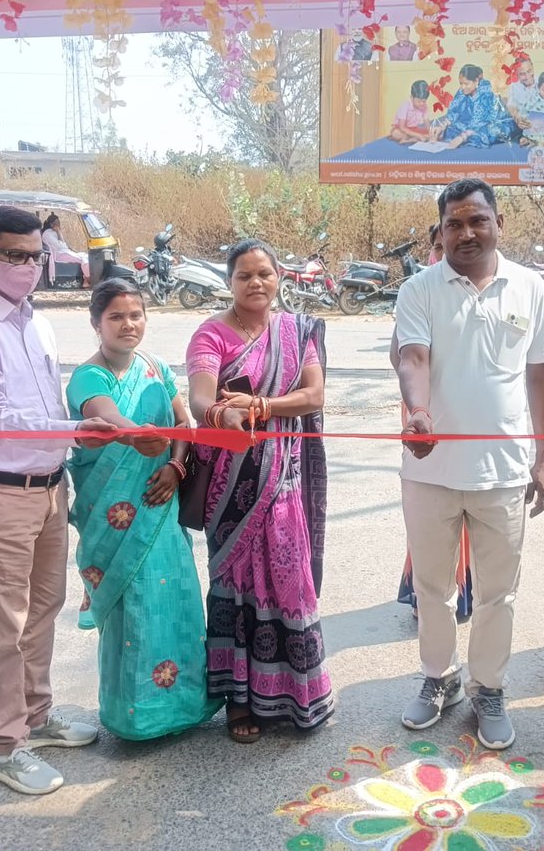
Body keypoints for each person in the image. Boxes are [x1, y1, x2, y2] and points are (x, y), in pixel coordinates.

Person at [0, 205, 118, 795]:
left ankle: (37, 715)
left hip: (48, 488)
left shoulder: (35, 323)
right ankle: (4, 747)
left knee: (42, 611)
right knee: (3, 626)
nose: (29, 267)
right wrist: (75, 430)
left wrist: (80, 429)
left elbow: (50, 405)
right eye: (14, 256)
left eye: (36, 255)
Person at [396, 178, 544, 751]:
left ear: (498, 223)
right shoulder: (419, 288)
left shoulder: (531, 287)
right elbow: (413, 355)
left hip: (504, 470)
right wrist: (418, 411)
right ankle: (439, 679)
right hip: (429, 468)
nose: (466, 232)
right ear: (440, 232)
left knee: (498, 592)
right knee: (433, 588)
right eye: (453, 224)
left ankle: (489, 687)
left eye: (476, 221)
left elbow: (541, 376)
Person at [186, 239, 333, 743]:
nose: (256, 283)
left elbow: (313, 395)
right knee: (238, 589)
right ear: (228, 282)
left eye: (265, 274)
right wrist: (223, 413)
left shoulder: (297, 330)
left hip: (284, 482)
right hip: (232, 491)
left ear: (279, 278)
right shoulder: (210, 334)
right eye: (244, 275)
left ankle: (299, 694)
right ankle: (239, 701)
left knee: (289, 584)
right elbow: (201, 395)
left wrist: (261, 406)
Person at [66, 278, 222, 741]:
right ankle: (137, 716)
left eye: (135, 315)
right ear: (96, 323)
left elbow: (181, 422)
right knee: (133, 610)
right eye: (116, 316)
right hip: (114, 520)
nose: (128, 324)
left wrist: (176, 464)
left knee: (175, 603)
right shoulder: (88, 376)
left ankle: (185, 706)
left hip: (160, 507)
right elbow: (107, 415)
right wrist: (136, 434)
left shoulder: (155, 366)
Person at [394, 221, 474, 622]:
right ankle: (426, 593)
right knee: (432, 511)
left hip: (472, 418)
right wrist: (419, 407)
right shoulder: (421, 291)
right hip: (424, 414)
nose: (446, 257)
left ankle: (465, 589)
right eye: (439, 250)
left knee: (472, 508)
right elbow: (403, 356)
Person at [431, 65, 514, 149]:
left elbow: (485, 122)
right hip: (470, 124)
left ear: (476, 81)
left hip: (493, 123)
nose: (463, 87)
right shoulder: (462, 91)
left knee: (490, 132)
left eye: (466, 83)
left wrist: (463, 136)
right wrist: (442, 127)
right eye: (461, 83)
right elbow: (454, 111)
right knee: (448, 130)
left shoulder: (487, 93)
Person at [42, 212, 90, 286]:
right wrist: (58, 234)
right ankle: (88, 279)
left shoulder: (56, 232)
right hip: (58, 254)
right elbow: (59, 246)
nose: (59, 225)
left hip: (64, 251)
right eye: (57, 223)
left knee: (85, 256)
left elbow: (63, 243)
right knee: (81, 259)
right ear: (52, 224)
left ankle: (86, 279)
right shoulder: (47, 234)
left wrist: (58, 232)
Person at [390, 81, 432, 145]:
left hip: (413, 129)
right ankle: (413, 138)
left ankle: (411, 139)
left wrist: (430, 132)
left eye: (424, 101)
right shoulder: (405, 106)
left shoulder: (424, 106)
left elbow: (426, 121)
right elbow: (402, 127)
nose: (421, 104)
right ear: (412, 98)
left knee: (430, 134)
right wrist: (419, 135)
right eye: (418, 101)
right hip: (401, 129)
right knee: (396, 133)